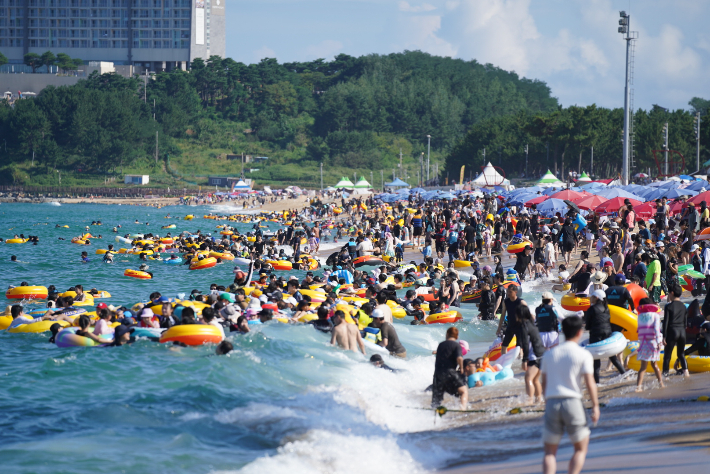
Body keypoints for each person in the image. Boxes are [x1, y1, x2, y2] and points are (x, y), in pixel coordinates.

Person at [541, 315, 599, 474]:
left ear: (562, 332)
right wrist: (595, 406)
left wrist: (547, 401)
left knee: (550, 452)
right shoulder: (583, 354)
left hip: (552, 402)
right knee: (580, 448)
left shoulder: (549, 354)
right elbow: (589, 383)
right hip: (573, 402)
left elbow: (543, 383)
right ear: (580, 332)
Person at [584, 290, 626, 383]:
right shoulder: (606, 308)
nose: (590, 298)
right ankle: (625, 375)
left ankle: (597, 383)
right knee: (613, 357)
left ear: (597, 298)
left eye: (592, 296)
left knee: (596, 360)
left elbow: (587, 326)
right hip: (608, 333)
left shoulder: (591, 309)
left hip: (596, 334)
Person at [431, 327, 468, 409]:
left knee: (436, 399)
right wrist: (461, 368)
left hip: (438, 374)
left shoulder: (440, 345)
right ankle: (462, 409)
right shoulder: (456, 345)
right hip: (450, 372)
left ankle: (433, 411)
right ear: (457, 337)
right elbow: (459, 358)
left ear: (447, 334)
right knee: (463, 391)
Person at [635, 297, 665, 391]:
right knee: (654, 365)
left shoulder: (639, 316)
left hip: (643, 343)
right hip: (653, 343)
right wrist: (659, 342)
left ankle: (638, 387)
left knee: (642, 367)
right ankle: (661, 383)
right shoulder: (655, 315)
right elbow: (656, 329)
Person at [517, 305, 546, 402]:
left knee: (528, 378)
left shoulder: (524, 326)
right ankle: (539, 400)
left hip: (535, 356)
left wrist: (524, 360)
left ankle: (529, 402)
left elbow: (525, 343)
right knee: (535, 380)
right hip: (541, 354)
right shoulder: (532, 324)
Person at [662, 284, 689, 377]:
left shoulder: (668, 306)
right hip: (682, 332)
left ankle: (664, 377)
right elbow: (685, 322)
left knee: (667, 356)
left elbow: (665, 322)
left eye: (669, 293)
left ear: (672, 293)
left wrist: (664, 336)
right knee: (681, 354)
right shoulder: (684, 306)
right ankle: (686, 374)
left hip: (672, 331)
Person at [496, 284, 527, 355]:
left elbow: (527, 315)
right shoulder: (506, 302)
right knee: (504, 345)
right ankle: (503, 360)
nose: (508, 293)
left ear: (515, 292)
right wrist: (499, 328)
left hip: (520, 327)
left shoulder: (521, 302)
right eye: (507, 291)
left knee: (519, 347)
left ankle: (520, 362)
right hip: (510, 326)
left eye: (510, 292)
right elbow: (503, 315)